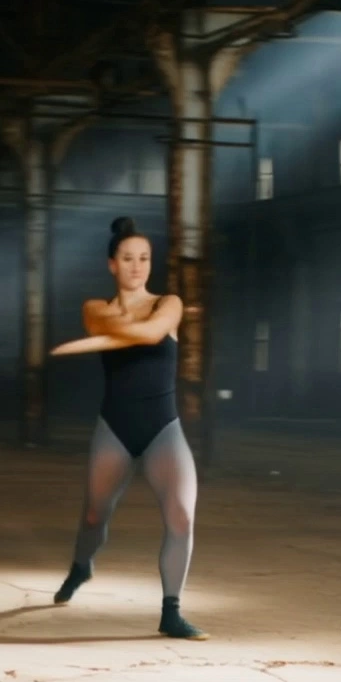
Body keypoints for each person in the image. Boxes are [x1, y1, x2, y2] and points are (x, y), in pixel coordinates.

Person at [47, 217, 208, 640]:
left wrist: (123, 331)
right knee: (94, 515)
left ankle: (171, 611)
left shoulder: (167, 304)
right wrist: (124, 329)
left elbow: (155, 332)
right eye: (128, 258)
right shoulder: (93, 307)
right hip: (114, 428)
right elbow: (107, 326)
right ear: (112, 265)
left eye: (144, 258)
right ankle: (81, 567)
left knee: (182, 516)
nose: (137, 266)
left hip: (163, 428)